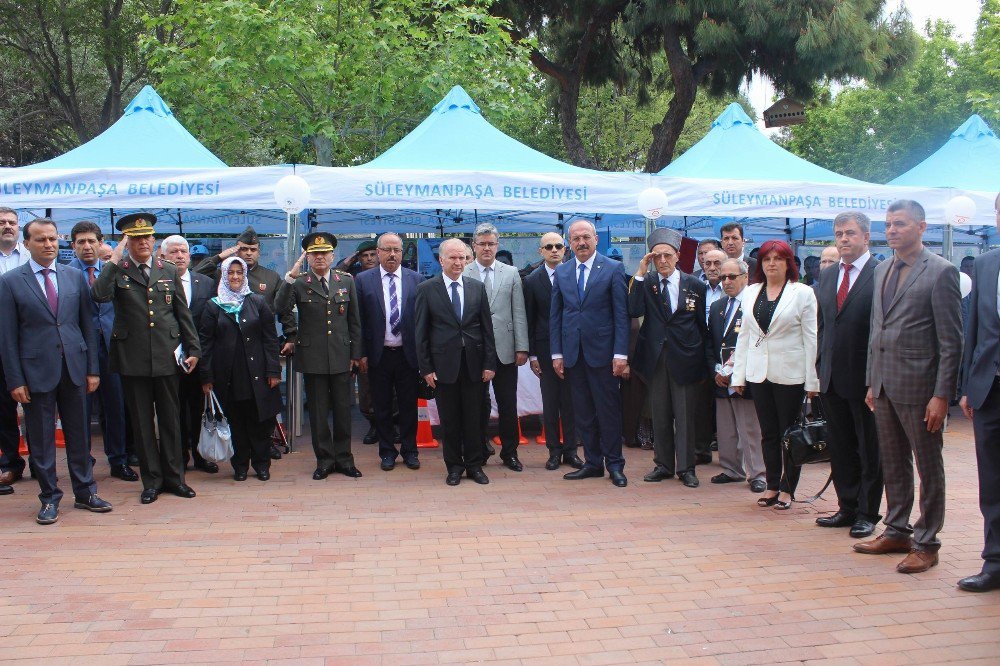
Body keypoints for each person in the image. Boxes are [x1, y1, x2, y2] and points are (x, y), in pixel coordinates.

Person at [855, 200, 963, 574]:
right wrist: (872, 380)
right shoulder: (883, 268)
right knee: (893, 462)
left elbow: (952, 341)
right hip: (884, 384)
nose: (892, 230)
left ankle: (927, 542)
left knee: (928, 466)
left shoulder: (941, 272)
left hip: (921, 389)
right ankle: (897, 529)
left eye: (900, 224)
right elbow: (876, 330)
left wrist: (942, 394)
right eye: (888, 225)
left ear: (922, 226)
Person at [0, 218, 112, 524]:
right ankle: (49, 497)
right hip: (35, 373)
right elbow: (7, 337)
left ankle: (85, 492)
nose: (49, 244)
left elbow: (87, 326)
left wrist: (92, 369)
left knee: (79, 434)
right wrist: (15, 379)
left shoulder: (74, 276)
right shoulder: (10, 282)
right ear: (27, 244)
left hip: (75, 369)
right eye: (41, 240)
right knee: (41, 439)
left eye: (52, 239)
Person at [91, 212, 201, 505]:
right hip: (133, 358)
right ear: (127, 242)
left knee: (170, 420)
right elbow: (99, 295)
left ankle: (175, 479)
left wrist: (193, 349)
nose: (142, 243)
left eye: (147, 237)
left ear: (154, 240)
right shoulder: (118, 268)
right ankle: (151, 481)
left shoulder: (167, 269)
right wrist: (113, 259)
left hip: (167, 355)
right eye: (136, 238)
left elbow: (181, 312)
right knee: (141, 423)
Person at [731, 240, 819, 510]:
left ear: (788, 263)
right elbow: (744, 336)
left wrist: (812, 380)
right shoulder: (751, 291)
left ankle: (787, 488)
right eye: (767, 259)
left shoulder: (802, 293)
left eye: (778, 259)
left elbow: (810, 338)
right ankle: (771, 485)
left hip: (790, 374)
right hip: (759, 374)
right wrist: (739, 376)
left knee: (788, 433)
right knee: (768, 433)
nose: (771, 264)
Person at [815, 212, 883, 538]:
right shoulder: (828, 278)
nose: (844, 239)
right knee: (840, 447)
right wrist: (818, 369)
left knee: (870, 449)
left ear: (866, 237)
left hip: (866, 380)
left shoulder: (881, 273)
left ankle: (868, 513)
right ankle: (847, 506)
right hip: (830, 378)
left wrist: (876, 378)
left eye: (851, 233)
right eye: (839, 233)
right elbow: (823, 327)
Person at [629, 228, 712, 489]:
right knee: (660, 413)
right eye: (657, 257)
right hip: (655, 358)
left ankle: (686, 467)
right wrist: (640, 273)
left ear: (677, 256)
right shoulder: (648, 282)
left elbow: (702, 325)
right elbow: (633, 309)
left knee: (685, 415)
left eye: (667, 255)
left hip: (685, 357)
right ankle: (663, 464)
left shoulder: (695, 285)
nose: (662, 261)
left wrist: (700, 359)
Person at [276, 232, 363, 480]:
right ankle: (324, 460)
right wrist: (290, 277)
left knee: (343, 411)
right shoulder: (300, 282)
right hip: (312, 356)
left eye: (324, 253)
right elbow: (280, 308)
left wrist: (355, 354)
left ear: (332, 255)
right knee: (317, 413)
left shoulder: (345, 281)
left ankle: (345, 459)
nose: (320, 257)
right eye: (314, 254)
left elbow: (355, 321)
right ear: (308, 258)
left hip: (341, 355)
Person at [551, 219, 629, 488]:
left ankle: (615, 465)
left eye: (586, 237)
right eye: (575, 239)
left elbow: (621, 315)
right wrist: (556, 353)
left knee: (607, 411)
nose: (581, 242)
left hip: (604, 354)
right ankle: (593, 463)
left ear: (596, 238)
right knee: (582, 412)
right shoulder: (562, 272)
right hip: (573, 355)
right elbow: (557, 316)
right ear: (568, 243)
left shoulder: (613, 268)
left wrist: (621, 354)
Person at [414, 238, 496, 486]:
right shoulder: (427, 289)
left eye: (462, 257)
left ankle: (474, 465)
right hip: (443, 367)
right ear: (441, 260)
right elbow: (421, 332)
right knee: (450, 421)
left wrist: (489, 363)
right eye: (453, 257)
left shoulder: (476, 287)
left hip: (474, 364)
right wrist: (426, 368)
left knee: (474, 418)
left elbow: (486, 329)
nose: (458, 262)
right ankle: (454, 467)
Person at [199, 257, 282, 481]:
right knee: (235, 422)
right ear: (223, 276)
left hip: (258, 375)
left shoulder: (257, 302)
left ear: (244, 275)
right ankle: (240, 466)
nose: (235, 277)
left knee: (260, 422)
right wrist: (206, 377)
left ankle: (262, 464)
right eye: (230, 273)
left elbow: (270, 340)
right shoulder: (212, 306)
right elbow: (205, 343)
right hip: (227, 376)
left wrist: (274, 371)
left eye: (239, 273)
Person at [67, 221, 137, 482]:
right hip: (79, 352)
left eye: (91, 241)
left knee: (115, 406)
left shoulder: (115, 271)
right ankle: (82, 461)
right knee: (80, 410)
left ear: (99, 243)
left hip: (112, 348)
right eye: (81, 242)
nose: (87, 246)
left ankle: (118, 460)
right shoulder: (65, 274)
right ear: (73, 245)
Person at [957, 191, 1000, 593]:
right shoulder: (986, 264)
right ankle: (994, 562)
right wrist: (969, 384)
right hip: (990, 389)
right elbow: (974, 331)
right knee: (992, 480)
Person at [355, 232, 425, 471]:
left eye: (396, 250)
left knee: (408, 406)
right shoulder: (363, 280)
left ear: (402, 253)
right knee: (381, 407)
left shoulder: (417, 279)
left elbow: (422, 320)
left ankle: (410, 450)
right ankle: (387, 452)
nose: (392, 254)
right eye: (387, 250)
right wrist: (361, 353)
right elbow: (359, 321)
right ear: (378, 252)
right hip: (378, 355)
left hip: (408, 355)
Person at [463, 223, 529, 471]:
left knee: (507, 404)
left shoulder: (510, 273)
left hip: (505, 349)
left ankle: (510, 453)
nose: (487, 248)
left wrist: (522, 346)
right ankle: (479, 450)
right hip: (474, 350)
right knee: (477, 404)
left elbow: (519, 311)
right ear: (474, 246)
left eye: (491, 244)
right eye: (482, 244)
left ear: (497, 245)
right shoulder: (465, 271)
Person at [160, 235, 218, 475]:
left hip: (198, 357)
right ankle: (178, 457)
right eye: (174, 252)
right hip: (167, 356)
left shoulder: (204, 282)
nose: (180, 256)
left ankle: (199, 455)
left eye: (183, 251)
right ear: (163, 257)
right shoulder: (157, 282)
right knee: (173, 411)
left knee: (196, 409)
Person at [524, 232, 582, 471]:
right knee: (550, 402)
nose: (554, 250)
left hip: (572, 347)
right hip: (545, 348)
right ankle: (553, 451)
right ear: (541, 251)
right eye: (549, 246)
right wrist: (533, 355)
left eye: (559, 245)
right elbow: (529, 318)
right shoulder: (531, 280)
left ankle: (571, 450)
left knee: (571, 402)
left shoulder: (575, 274)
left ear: (565, 249)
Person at [709, 258, 766, 492]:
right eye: (723, 277)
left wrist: (735, 371)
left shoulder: (756, 303)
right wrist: (716, 369)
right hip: (720, 377)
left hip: (745, 378)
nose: (727, 281)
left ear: (746, 276)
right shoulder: (717, 307)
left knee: (750, 429)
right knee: (726, 429)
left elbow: (757, 341)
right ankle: (732, 469)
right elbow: (710, 342)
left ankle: (758, 474)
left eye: (732, 277)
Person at [0, 207, 32, 491]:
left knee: (38, 405)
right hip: (1, 345)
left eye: (11, 222)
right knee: (4, 408)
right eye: (2, 223)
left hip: (31, 344)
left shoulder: (31, 256)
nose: (7, 226)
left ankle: (40, 461)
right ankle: (11, 463)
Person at [693, 248, 727, 465]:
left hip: (726, 351)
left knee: (727, 405)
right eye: (708, 263)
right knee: (700, 404)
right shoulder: (696, 287)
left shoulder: (734, 286)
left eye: (717, 263)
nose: (712, 268)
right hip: (699, 350)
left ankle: (730, 454)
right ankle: (701, 449)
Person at [345, 240, 380, 445]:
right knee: (367, 388)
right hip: (363, 341)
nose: (368, 259)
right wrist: (347, 262)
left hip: (388, 341)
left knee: (391, 390)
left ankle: (391, 425)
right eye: (364, 256)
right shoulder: (352, 278)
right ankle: (373, 425)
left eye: (371, 255)